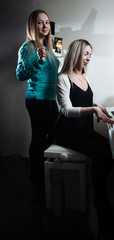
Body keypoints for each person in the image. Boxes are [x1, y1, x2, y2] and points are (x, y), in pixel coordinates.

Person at [55, 39, 114, 238]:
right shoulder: (63, 78)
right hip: (68, 131)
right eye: (86, 53)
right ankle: (101, 202)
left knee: (109, 148)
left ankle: (99, 190)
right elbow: (66, 110)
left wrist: (99, 106)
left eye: (90, 54)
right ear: (76, 53)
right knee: (100, 153)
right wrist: (94, 109)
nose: (89, 58)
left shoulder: (83, 76)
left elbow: (84, 100)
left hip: (84, 128)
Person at [16, 9, 59, 203]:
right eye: (40, 22)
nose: (44, 26)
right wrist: (37, 60)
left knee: (52, 136)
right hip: (36, 99)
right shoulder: (28, 47)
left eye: (47, 22)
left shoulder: (51, 48)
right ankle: (37, 179)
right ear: (33, 25)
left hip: (51, 99)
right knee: (39, 139)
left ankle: (46, 173)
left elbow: (54, 74)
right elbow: (20, 75)